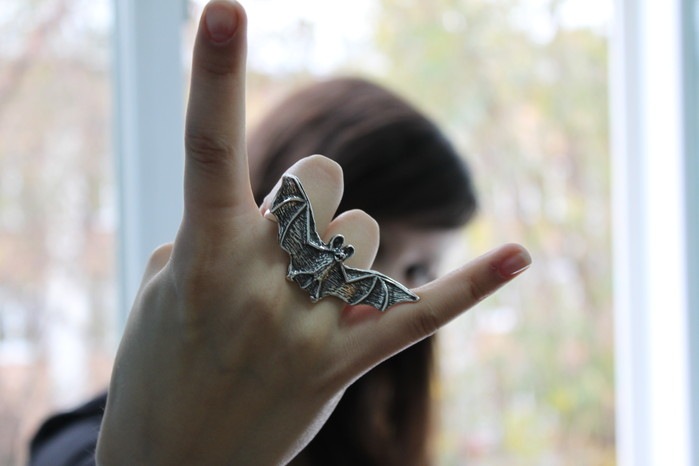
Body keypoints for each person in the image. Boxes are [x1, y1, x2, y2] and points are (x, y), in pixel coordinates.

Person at [29, 2, 531, 465]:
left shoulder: (377, 438)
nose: (394, 281)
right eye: (371, 252)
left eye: (421, 270)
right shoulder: (83, 440)